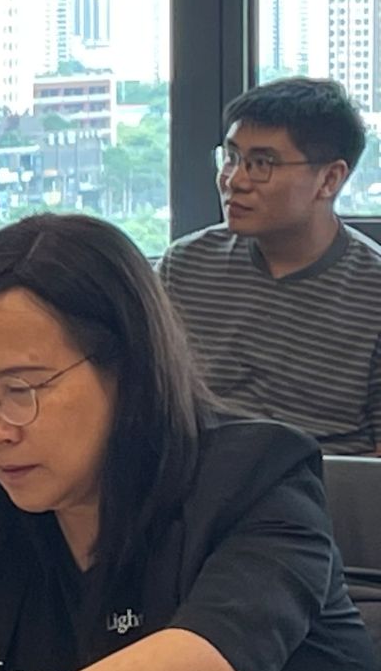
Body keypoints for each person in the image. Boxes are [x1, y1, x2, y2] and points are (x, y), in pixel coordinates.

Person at [0, 213, 381, 671]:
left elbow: (204, 665)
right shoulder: (0, 512)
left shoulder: (258, 478)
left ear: (128, 369)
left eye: (20, 389)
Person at [158, 76, 381, 455]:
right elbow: (152, 394)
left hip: (323, 482)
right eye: (231, 158)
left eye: (261, 164)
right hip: (202, 473)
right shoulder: (185, 266)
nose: (235, 181)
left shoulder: (371, 291)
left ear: (329, 179)